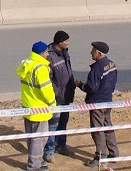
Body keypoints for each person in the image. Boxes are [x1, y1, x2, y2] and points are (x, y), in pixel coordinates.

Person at [76, 41, 118, 167]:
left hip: (97, 103)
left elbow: (92, 87)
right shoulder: (112, 64)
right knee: (107, 127)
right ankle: (114, 153)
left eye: (93, 51)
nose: (91, 53)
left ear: (99, 53)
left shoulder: (97, 68)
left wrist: (80, 85)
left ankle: (100, 156)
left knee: (98, 130)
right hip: (107, 101)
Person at [17, 41, 57, 171]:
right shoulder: (40, 69)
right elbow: (46, 90)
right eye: (46, 52)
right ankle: (34, 166)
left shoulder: (27, 64)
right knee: (39, 139)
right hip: (40, 110)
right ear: (41, 53)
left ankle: (35, 162)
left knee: (32, 138)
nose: (48, 54)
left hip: (29, 107)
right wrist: (53, 104)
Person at [43, 30, 75, 163]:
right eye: (66, 41)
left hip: (66, 96)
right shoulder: (50, 56)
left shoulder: (65, 53)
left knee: (63, 122)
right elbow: (48, 78)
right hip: (56, 98)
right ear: (60, 42)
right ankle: (48, 150)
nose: (68, 43)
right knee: (53, 124)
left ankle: (61, 145)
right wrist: (56, 93)